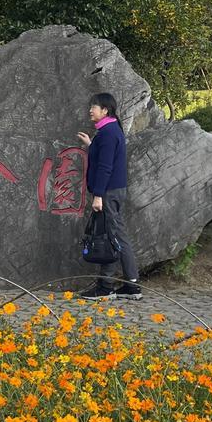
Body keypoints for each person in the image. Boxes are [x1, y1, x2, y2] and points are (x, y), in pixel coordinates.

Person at [77, 92, 141, 301]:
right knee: (116, 235)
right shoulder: (110, 131)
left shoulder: (108, 133)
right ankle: (131, 286)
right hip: (114, 190)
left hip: (108, 192)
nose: (90, 110)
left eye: (94, 106)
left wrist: (98, 196)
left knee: (111, 238)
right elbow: (106, 157)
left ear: (105, 110)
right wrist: (91, 145)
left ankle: (106, 287)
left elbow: (105, 167)